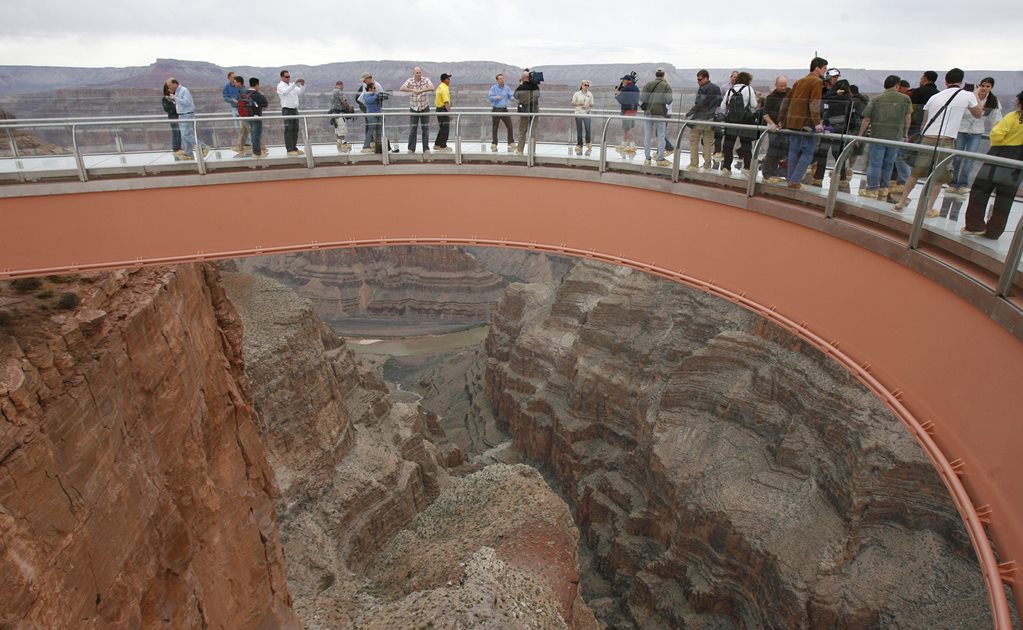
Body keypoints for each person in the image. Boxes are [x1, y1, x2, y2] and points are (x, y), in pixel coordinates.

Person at [893, 68, 983, 214]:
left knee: (915, 173)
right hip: (945, 140)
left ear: (945, 81)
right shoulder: (966, 95)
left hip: (928, 138)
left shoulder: (935, 97)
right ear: (961, 82)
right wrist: (976, 94)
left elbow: (925, 121)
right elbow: (979, 113)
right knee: (939, 177)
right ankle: (928, 209)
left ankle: (901, 202)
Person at [961, 90, 1023, 239]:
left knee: (980, 189)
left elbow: (997, 134)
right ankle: (994, 232)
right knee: (1005, 197)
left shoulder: (1013, 117)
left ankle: (974, 225)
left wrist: (997, 141)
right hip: (1018, 162)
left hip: (1000, 156)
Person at [857, 74, 912, 199]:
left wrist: (860, 135)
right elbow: (908, 117)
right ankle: (884, 188)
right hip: (895, 138)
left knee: (875, 163)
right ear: (897, 85)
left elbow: (866, 119)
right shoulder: (905, 99)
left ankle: (872, 189)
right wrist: (905, 133)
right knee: (889, 163)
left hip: (878, 136)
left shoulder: (877, 99)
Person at [778, 57, 827, 189]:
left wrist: (782, 120)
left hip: (792, 122)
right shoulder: (816, 81)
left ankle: (790, 179)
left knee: (793, 151)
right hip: (806, 124)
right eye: (824, 68)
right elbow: (814, 103)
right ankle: (795, 180)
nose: (825, 71)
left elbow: (786, 102)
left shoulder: (799, 81)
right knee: (808, 152)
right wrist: (817, 123)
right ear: (817, 68)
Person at [949, 77, 1001, 193]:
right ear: (979, 85)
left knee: (969, 159)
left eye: (988, 86)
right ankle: (953, 183)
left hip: (976, 132)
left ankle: (963, 184)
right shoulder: (969, 96)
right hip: (962, 130)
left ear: (991, 88)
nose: (984, 88)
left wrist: (996, 134)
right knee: (957, 157)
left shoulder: (993, 100)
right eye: (983, 85)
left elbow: (996, 118)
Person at [811, 78, 854, 189]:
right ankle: (842, 178)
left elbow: (824, 99)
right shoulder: (849, 99)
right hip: (839, 129)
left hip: (830, 127)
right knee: (837, 154)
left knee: (823, 152)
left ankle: (818, 177)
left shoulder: (835, 98)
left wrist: (834, 93)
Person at [685, 69, 722, 171]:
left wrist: (689, 113)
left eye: (700, 79)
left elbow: (699, 104)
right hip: (711, 119)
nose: (698, 82)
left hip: (700, 119)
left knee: (694, 141)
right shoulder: (717, 88)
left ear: (706, 77)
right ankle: (707, 166)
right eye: (697, 80)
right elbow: (719, 103)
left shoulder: (702, 89)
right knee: (708, 144)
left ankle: (694, 164)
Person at [721, 71, 756, 174]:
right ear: (748, 80)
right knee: (746, 145)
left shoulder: (730, 90)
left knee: (728, 145)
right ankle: (746, 168)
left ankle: (726, 168)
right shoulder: (749, 89)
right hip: (745, 122)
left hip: (731, 121)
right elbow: (754, 105)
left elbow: (723, 106)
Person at [166, 77, 208, 160]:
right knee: (184, 135)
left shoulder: (184, 90)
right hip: (181, 115)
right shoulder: (177, 91)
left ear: (175, 83)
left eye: (170, 85)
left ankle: (203, 147)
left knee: (186, 134)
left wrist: (175, 98)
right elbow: (180, 103)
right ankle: (188, 153)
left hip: (187, 115)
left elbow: (186, 103)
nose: (169, 87)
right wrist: (172, 100)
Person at [640, 68, 673, 167]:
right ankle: (660, 158)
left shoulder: (648, 85)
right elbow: (669, 100)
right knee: (661, 136)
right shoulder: (666, 86)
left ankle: (647, 158)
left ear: (656, 75)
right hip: (660, 113)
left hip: (648, 112)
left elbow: (642, 98)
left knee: (647, 135)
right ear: (663, 76)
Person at [760, 75, 789, 182]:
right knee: (773, 150)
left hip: (786, 127)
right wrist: (773, 124)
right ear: (776, 85)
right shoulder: (771, 97)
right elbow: (765, 114)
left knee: (781, 152)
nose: (783, 88)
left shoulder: (790, 93)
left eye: (785, 85)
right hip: (774, 128)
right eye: (781, 86)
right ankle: (767, 173)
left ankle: (774, 172)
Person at [400, 67, 434, 153]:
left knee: (425, 129)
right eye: (417, 73)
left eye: (420, 72)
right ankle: (411, 149)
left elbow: (432, 87)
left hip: (424, 107)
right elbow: (402, 88)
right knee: (413, 129)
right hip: (414, 108)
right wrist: (413, 90)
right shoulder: (410, 81)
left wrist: (422, 90)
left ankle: (426, 149)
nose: (419, 74)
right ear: (413, 74)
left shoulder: (425, 79)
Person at [277, 69, 306, 156]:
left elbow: (300, 92)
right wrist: (294, 83)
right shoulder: (280, 86)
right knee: (289, 130)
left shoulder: (291, 85)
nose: (288, 78)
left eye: (289, 76)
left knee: (295, 129)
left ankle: (294, 147)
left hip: (294, 109)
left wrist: (302, 84)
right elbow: (285, 92)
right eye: (286, 77)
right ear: (282, 77)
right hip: (287, 110)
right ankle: (289, 149)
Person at [712, 70, 739, 162]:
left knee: (728, 134)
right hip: (722, 113)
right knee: (718, 133)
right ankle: (717, 152)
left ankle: (725, 152)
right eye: (734, 77)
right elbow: (718, 100)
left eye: (737, 77)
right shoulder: (724, 87)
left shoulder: (741, 89)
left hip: (732, 115)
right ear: (731, 77)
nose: (735, 79)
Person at [514, 70, 540, 155]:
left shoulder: (520, 88)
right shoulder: (535, 87)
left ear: (523, 78)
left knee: (522, 131)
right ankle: (532, 151)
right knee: (533, 132)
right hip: (534, 111)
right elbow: (538, 95)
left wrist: (521, 84)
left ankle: (520, 150)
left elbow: (516, 96)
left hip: (524, 111)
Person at [488, 73, 515, 152]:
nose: (502, 80)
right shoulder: (493, 88)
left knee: (509, 126)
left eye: (503, 78)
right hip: (496, 109)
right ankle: (494, 143)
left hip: (504, 109)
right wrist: (496, 97)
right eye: (500, 79)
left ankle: (511, 142)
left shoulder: (507, 88)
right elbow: (490, 97)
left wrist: (512, 98)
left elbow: (510, 96)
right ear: (497, 80)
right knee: (495, 127)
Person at [614, 73, 640, 154]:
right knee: (627, 127)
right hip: (633, 110)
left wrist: (617, 94)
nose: (622, 82)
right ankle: (624, 143)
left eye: (623, 80)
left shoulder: (626, 89)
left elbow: (621, 100)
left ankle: (632, 145)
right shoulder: (636, 88)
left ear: (626, 81)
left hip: (627, 110)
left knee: (628, 128)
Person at [329, 80, 353, 153]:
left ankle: (339, 145)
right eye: (342, 86)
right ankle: (343, 144)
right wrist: (349, 108)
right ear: (340, 85)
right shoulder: (339, 92)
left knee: (337, 130)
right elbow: (344, 101)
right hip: (339, 113)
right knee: (342, 129)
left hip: (333, 113)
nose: (343, 87)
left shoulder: (332, 92)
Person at [248, 77, 269, 158]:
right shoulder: (257, 94)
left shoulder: (245, 93)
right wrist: (262, 95)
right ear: (257, 85)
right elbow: (266, 104)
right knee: (256, 135)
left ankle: (255, 151)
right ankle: (257, 153)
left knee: (253, 134)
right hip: (256, 116)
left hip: (247, 117)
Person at [231, 74, 251, 156]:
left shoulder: (244, 90)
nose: (234, 84)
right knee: (243, 131)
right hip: (242, 113)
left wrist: (237, 102)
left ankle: (261, 147)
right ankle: (240, 147)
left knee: (250, 131)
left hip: (245, 114)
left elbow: (248, 101)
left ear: (239, 82)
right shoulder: (240, 90)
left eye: (235, 82)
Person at [362, 80, 384, 154]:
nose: (375, 89)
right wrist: (375, 95)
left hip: (378, 113)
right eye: (374, 88)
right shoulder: (366, 95)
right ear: (370, 89)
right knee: (370, 130)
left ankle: (378, 146)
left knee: (379, 131)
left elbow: (380, 103)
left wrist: (380, 97)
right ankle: (366, 146)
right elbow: (369, 101)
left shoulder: (376, 95)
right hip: (371, 115)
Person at [571, 80, 594, 155]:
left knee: (588, 129)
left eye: (588, 85)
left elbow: (592, 104)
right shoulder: (577, 94)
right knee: (579, 129)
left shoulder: (590, 94)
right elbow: (572, 102)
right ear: (581, 85)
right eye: (585, 85)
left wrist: (588, 106)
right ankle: (579, 144)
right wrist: (579, 104)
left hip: (587, 113)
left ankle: (588, 142)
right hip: (578, 113)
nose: (586, 87)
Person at [432, 73, 453, 152]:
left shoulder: (440, 87)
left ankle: (437, 144)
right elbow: (446, 102)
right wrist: (450, 113)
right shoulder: (444, 88)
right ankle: (443, 146)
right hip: (443, 110)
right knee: (445, 128)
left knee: (442, 128)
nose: (449, 80)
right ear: (444, 80)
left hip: (438, 109)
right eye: (448, 79)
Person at [161, 82, 181, 157]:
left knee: (180, 133)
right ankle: (176, 148)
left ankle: (178, 147)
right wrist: (176, 107)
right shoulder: (165, 99)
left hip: (179, 117)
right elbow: (166, 109)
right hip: (173, 118)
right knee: (176, 132)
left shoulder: (176, 97)